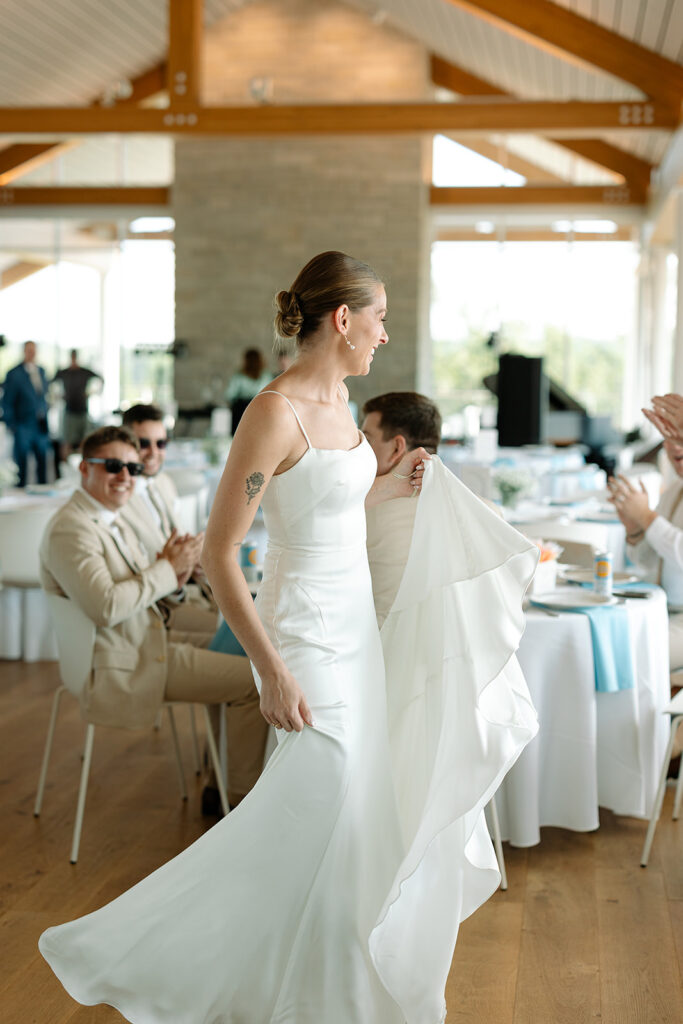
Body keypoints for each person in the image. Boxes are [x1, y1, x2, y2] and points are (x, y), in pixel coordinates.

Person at [38, 253, 536, 1024]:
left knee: (357, 817)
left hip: (357, 637)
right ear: (342, 320)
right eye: (377, 318)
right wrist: (268, 669)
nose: (383, 333)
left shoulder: (344, 400)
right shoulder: (273, 411)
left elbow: (328, 501)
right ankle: (154, 951)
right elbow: (221, 552)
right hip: (302, 638)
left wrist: (388, 484)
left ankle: (329, 988)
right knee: (309, 804)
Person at [38, 424, 267, 808]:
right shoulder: (71, 529)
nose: (125, 477)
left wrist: (175, 568)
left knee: (240, 647)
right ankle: (238, 801)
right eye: (112, 466)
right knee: (254, 683)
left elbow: (143, 586)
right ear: (83, 468)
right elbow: (106, 607)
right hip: (122, 658)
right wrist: (166, 568)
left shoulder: (108, 516)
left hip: (145, 636)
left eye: (132, 468)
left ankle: (220, 778)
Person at [121, 403, 218, 633]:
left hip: (193, 591)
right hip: (159, 607)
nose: (153, 452)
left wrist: (195, 557)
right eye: (143, 443)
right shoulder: (119, 498)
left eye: (161, 443)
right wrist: (176, 564)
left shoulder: (164, 483)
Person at [608, 441, 683, 668]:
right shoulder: (673, 491)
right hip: (660, 607)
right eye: (669, 439)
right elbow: (649, 560)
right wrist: (635, 528)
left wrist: (645, 516)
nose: (676, 448)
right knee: (604, 638)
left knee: (627, 654)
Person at [1, 340, 50, 487]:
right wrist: (12, 424)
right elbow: (6, 401)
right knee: (22, 463)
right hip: (22, 424)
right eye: (29, 350)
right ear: (24, 351)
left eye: (34, 350)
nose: (32, 353)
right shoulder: (14, 373)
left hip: (40, 424)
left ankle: (43, 492)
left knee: (43, 461)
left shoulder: (41, 371)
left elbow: (43, 396)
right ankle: (21, 495)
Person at [52, 349, 102, 452]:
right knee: (67, 442)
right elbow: (50, 383)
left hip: (83, 411)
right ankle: (64, 466)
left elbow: (101, 379)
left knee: (84, 441)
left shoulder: (84, 372)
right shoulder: (64, 372)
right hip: (69, 411)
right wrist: (57, 395)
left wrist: (93, 392)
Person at [224, 346, 272, 433]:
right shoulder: (266, 375)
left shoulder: (239, 375)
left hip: (240, 413)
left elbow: (230, 395)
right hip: (260, 412)